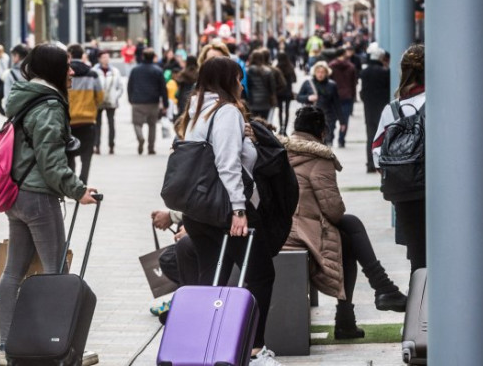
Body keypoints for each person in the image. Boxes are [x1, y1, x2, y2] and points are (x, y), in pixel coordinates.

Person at [174, 56, 282, 366]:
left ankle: (208, 345)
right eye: (237, 78)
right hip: (226, 209)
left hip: (197, 211)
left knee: (213, 279)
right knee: (261, 275)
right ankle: (254, 349)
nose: (242, 83)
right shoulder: (226, 112)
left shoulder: (195, 111)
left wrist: (246, 140)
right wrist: (238, 209)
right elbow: (227, 163)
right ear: (226, 81)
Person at [0, 43, 99, 365]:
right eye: (67, 66)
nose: (71, 72)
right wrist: (77, 189)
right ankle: (54, 348)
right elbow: (50, 159)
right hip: (39, 197)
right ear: (54, 69)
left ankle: (7, 347)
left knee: (14, 271)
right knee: (56, 272)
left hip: (16, 194)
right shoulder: (50, 104)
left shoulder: (22, 97)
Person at [281, 106, 407, 340]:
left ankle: (372, 297)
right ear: (322, 132)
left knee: (347, 236)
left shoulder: (282, 151)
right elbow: (335, 211)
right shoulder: (319, 158)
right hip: (300, 234)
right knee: (349, 229)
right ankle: (377, 292)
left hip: (280, 231)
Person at [372, 44, 426, 275]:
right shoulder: (442, 101)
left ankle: (419, 306)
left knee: (417, 255)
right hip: (439, 189)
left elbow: (377, 155)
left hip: (406, 193)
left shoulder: (392, 109)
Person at [66, 44, 103, 183]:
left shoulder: (64, 73)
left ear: (69, 54)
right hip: (87, 121)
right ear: (82, 55)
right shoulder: (92, 74)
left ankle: (71, 183)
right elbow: (100, 96)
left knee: (69, 154)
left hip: (69, 122)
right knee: (86, 156)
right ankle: (83, 182)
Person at [127, 48, 168, 155]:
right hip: (153, 102)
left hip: (137, 101)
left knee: (137, 123)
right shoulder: (158, 70)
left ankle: (140, 138)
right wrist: (165, 103)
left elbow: (130, 85)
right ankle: (151, 148)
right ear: (153, 57)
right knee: (152, 125)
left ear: (143, 57)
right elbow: (163, 88)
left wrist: (130, 98)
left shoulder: (135, 70)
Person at [296, 61, 342, 147]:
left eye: (322, 72)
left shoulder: (332, 85)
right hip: (312, 118)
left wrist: (342, 121)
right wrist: (308, 98)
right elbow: (298, 97)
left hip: (328, 118)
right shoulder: (308, 83)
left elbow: (337, 103)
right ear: (314, 72)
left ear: (326, 73)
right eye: (318, 72)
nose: (320, 74)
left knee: (327, 142)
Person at [360, 43, 390, 173]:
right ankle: (382, 161)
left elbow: (362, 92)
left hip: (369, 108)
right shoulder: (386, 72)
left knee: (371, 135)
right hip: (383, 107)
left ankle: (370, 163)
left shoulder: (364, 72)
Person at [93, 50, 123, 155]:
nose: (106, 59)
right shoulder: (94, 71)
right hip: (98, 102)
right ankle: (97, 145)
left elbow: (120, 87)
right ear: (99, 59)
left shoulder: (115, 71)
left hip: (111, 102)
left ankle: (111, 145)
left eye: (107, 57)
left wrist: (115, 96)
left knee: (111, 124)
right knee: (97, 124)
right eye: (104, 57)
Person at [329, 48, 357, 148]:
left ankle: (330, 138)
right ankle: (341, 140)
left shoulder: (331, 66)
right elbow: (354, 83)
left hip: (334, 96)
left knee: (331, 119)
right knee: (344, 120)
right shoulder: (351, 67)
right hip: (347, 96)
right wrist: (353, 96)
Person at [245, 50, 276, 120]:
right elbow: (272, 88)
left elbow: (248, 86)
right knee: (264, 123)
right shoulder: (268, 71)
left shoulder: (248, 71)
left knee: (254, 123)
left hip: (253, 102)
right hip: (265, 102)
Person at [1, 44, 29, 111]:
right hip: (32, 111)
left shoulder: (11, 74)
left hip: (17, 112)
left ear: (17, 56)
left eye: (13, 56)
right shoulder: (33, 71)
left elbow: (8, 99)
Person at [274, 52, 296, 135]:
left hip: (279, 92)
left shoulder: (277, 68)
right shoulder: (290, 67)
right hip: (288, 92)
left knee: (280, 110)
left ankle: (280, 128)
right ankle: (285, 129)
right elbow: (294, 79)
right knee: (287, 111)